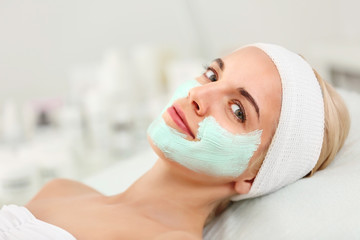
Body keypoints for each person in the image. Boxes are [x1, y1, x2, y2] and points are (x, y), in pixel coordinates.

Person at [0, 43, 350, 240]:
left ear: (253, 177)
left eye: (237, 110)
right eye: (212, 74)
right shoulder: (60, 190)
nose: (200, 94)